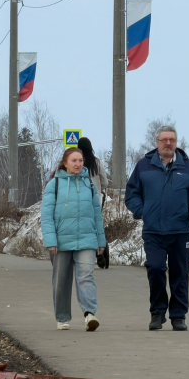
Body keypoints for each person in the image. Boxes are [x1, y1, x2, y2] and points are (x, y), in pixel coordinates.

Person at [125, 125, 189, 332]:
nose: (168, 143)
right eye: (164, 140)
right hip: (153, 231)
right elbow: (131, 194)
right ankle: (157, 312)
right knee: (155, 268)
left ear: (176, 142)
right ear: (157, 143)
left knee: (180, 273)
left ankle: (178, 316)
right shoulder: (144, 166)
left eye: (171, 139)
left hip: (180, 231)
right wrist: (142, 211)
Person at [41, 148, 106, 332]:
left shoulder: (89, 185)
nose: (78, 164)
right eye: (74, 160)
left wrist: (101, 241)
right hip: (61, 241)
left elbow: (97, 215)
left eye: (80, 160)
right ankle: (62, 318)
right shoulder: (54, 185)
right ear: (65, 163)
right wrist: (50, 240)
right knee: (61, 280)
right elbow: (46, 216)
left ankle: (89, 314)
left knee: (86, 276)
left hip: (86, 238)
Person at [77, 137, 110, 269]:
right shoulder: (96, 162)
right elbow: (105, 182)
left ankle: (81, 253)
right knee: (95, 226)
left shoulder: (78, 163)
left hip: (79, 200)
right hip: (95, 199)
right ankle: (100, 251)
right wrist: (98, 189)